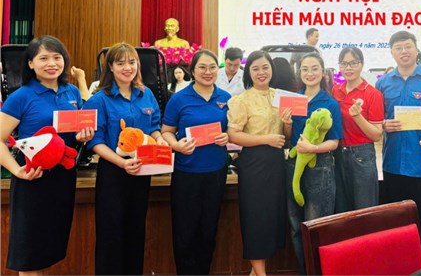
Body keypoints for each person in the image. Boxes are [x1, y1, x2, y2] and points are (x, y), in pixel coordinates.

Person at [0, 35, 94, 274]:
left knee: (49, 248)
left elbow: (75, 133)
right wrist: (16, 170)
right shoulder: (21, 96)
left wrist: (82, 136)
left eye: (57, 57)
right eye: (43, 58)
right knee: (29, 254)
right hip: (32, 177)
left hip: (63, 178)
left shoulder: (72, 92)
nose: (51, 63)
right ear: (31, 63)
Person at [83, 42, 167, 275]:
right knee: (111, 236)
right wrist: (121, 162)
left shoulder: (146, 94)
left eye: (132, 62)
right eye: (120, 63)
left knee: (135, 233)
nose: (127, 68)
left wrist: (160, 139)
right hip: (113, 173)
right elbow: (95, 141)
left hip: (142, 171)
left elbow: (154, 127)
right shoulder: (99, 99)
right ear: (110, 67)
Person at [375, 31, 421, 265]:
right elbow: (376, 120)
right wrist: (384, 124)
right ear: (392, 53)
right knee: (396, 227)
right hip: (393, 166)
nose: (404, 51)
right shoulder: (382, 83)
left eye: (407, 46)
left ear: (417, 50)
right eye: (398, 48)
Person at [161, 50, 230, 275]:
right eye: (202, 67)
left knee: (208, 231)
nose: (208, 72)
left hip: (216, 173)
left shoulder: (226, 98)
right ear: (192, 70)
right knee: (185, 232)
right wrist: (176, 145)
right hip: (186, 173)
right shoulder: (179, 99)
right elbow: (166, 131)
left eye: (212, 67)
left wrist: (227, 136)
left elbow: (233, 130)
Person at [227, 50, 287, 276]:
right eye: (255, 68)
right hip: (254, 164)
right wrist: (266, 139)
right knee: (256, 218)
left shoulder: (280, 96)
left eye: (265, 67)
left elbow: (286, 136)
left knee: (272, 218)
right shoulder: (241, 100)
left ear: (272, 69)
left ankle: (257, 271)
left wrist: (288, 124)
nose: (261, 72)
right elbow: (233, 135)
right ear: (248, 72)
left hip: (276, 163)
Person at [284, 52, 343, 274]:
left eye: (314, 68)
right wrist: (286, 123)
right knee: (295, 225)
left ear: (323, 72)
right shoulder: (293, 99)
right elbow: (288, 137)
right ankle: (305, 271)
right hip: (294, 166)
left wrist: (313, 148)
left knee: (316, 226)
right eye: (305, 69)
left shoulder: (330, 103)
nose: (310, 73)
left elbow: (334, 142)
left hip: (320, 167)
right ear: (299, 72)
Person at [331, 47, 384, 213]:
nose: (348, 68)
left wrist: (358, 117)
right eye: (344, 64)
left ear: (362, 64)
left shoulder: (372, 94)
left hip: (362, 155)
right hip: (338, 154)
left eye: (353, 63)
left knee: (365, 210)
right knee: (342, 211)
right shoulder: (335, 90)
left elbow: (376, 134)